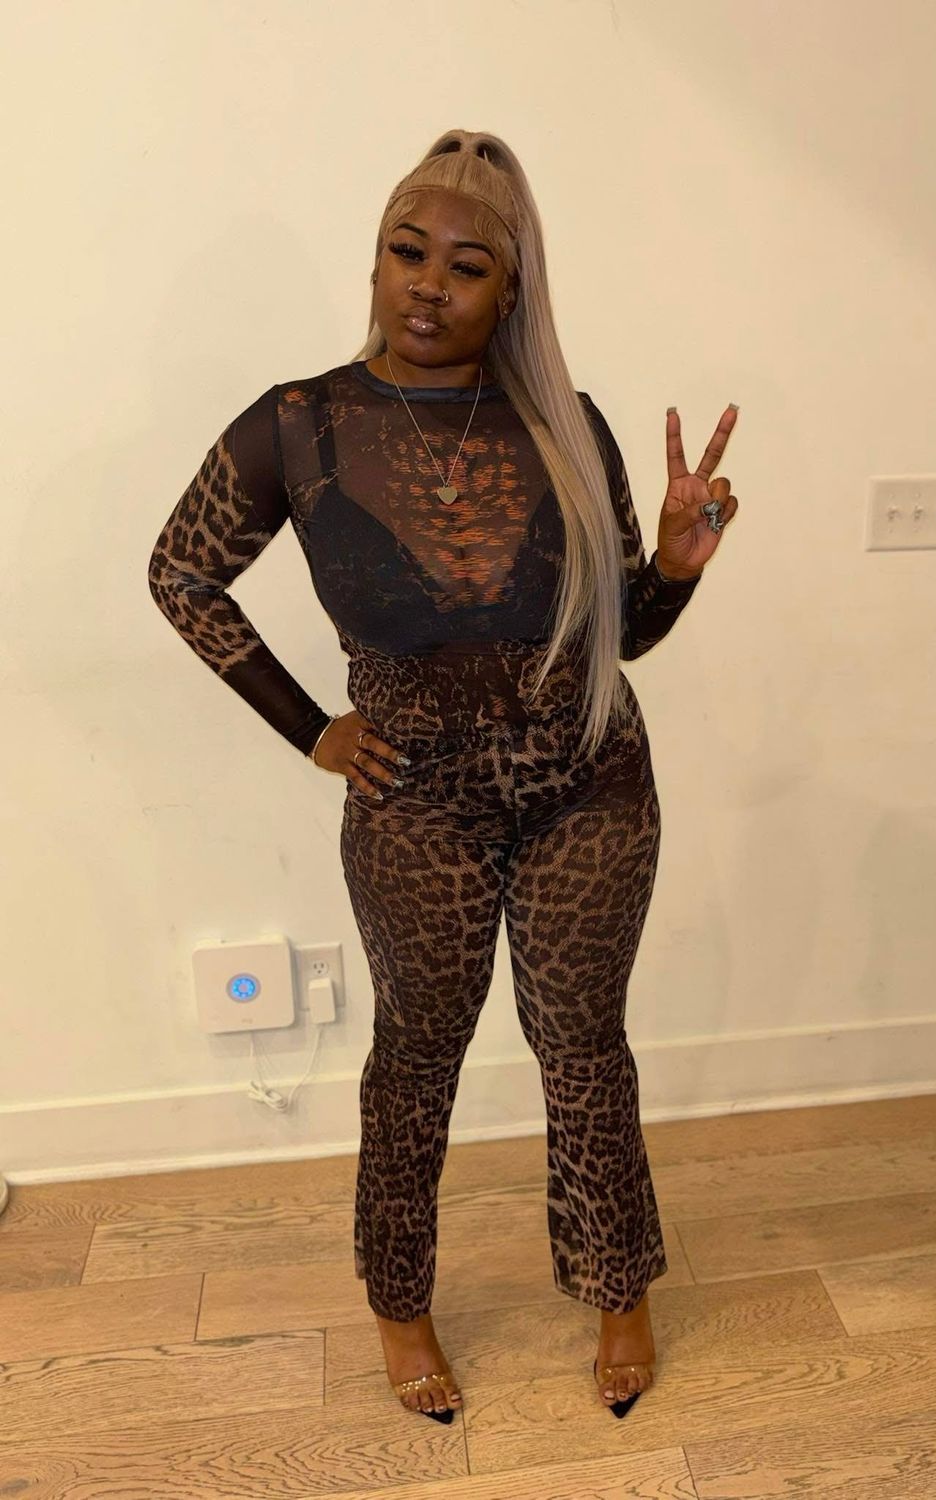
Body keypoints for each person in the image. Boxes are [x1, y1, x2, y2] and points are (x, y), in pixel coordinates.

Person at [147, 128, 739, 1425]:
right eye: (405, 252)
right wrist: (311, 729)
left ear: (510, 291)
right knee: (416, 1054)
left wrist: (675, 566)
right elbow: (180, 572)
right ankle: (399, 1305)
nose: (427, 285)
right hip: (416, 801)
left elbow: (624, 634)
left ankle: (619, 1288)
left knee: (583, 1043)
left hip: (589, 783)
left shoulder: (567, 425)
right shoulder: (298, 424)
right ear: (375, 260)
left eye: (466, 267)